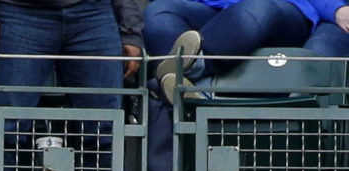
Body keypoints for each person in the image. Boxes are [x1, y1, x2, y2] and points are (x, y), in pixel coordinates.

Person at [0, 0, 146, 171]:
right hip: (19, 11)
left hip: (94, 12)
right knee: (2, 130)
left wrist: (130, 30)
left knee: (104, 132)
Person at [143, 0, 343, 101]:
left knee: (257, 7)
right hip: (220, 10)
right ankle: (181, 88)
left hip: (283, 13)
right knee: (159, 10)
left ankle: (191, 73)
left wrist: (335, 9)